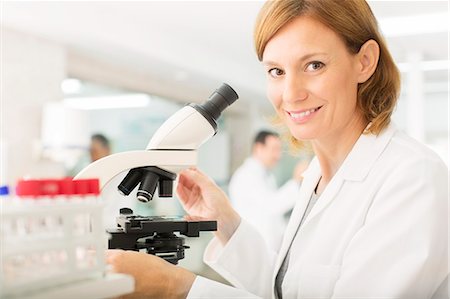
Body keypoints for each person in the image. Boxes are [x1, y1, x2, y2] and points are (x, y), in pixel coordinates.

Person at [106, 0, 449, 298]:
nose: (291, 92)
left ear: (365, 61)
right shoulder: (318, 175)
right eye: (276, 71)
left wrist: (176, 288)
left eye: (314, 65)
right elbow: (286, 289)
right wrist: (228, 223)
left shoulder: (412, 178)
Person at [229, 130, 308, 251]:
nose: (278, 156)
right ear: (259, 148)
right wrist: (296, 180)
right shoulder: (246, 176)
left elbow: (274, 216)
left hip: (268, 247)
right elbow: (271, 206)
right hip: (254, 247)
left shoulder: (267, 176)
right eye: (274, 149)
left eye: (279, 150)